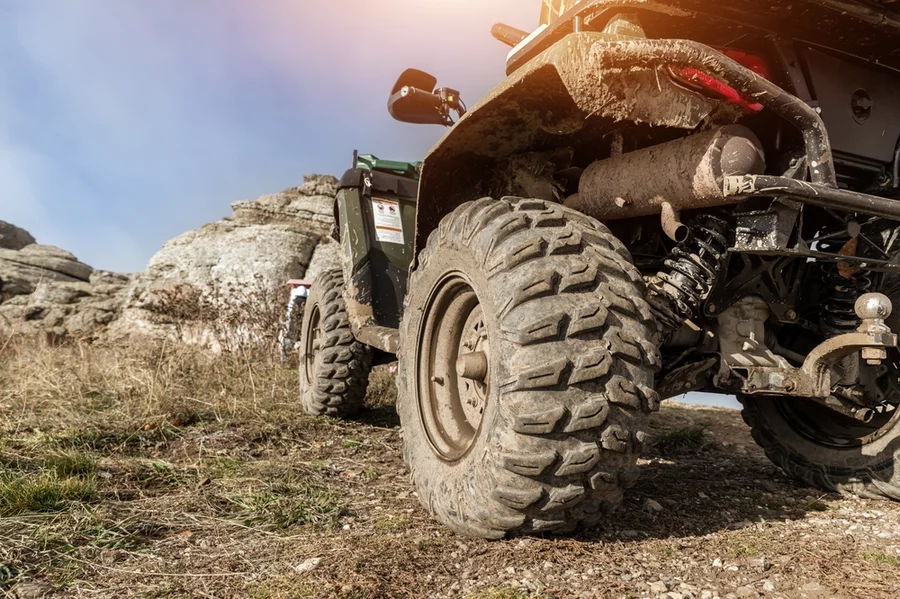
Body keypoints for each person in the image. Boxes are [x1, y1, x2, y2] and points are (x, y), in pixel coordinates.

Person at [280, 279, 311, 362]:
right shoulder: (306, 302)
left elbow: (289, 315)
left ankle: (283, 360)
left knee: (288, 344)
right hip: (302, 329)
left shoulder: (294, 302)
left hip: (292, 328)